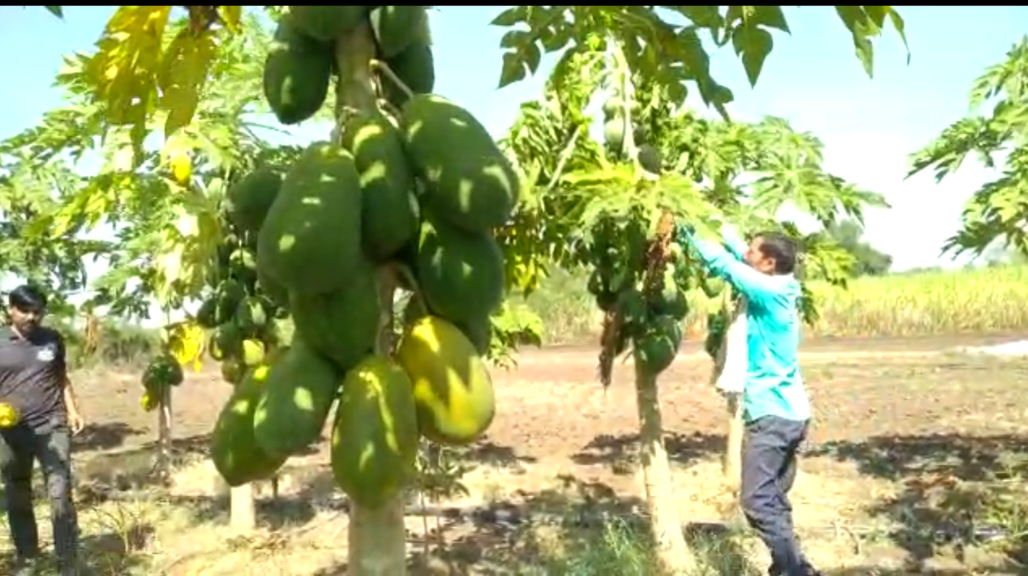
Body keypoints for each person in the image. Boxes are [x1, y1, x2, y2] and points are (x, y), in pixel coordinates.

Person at [677, 226, 818, 576]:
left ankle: (793, 571)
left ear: (768, 263)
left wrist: (686, 227)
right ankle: (792, 566)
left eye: (754, 252)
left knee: (757, 502)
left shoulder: (767, 291)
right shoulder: (781, 283)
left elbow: (724, 263)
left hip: (772, 417)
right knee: (775, 499)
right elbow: (739, 252)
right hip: (791, 415)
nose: (747, 253)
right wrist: (713, 220)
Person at [0, 284, 85, 575]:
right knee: (17, 491)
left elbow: (61, 377)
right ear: (10, 309)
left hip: (52, 424)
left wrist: (73, 411)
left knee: (60, 491)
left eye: (38, 311)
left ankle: (68, 561)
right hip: (11, 432)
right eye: (25, 310)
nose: (32, 317)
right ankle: (28, 558)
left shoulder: (52, 339)